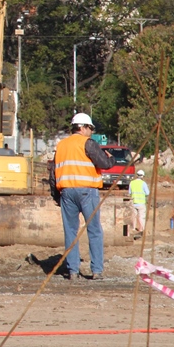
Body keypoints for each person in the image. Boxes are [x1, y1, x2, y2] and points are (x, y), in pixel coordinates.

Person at [53, 112, 114, 280]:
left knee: (71, 232)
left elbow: (53, 172)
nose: (91, 132)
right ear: (82, 127)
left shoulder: (61, 146)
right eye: (90, 128)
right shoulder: (88, 143)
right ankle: (97, 271)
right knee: (94, 230)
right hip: (87, 191)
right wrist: (112, 159)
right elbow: (105, 164)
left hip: (66, 192)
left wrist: (56, 196)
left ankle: (73, 271)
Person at [129, 169, 150, 237]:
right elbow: (147, 193)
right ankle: (141, 230)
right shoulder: (143, 183)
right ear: (142, 176)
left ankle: (133, 228)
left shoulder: (132, 183)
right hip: (141, 203)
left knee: (134, 216)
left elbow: (129, 192)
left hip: (133, 202)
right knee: (141, 217)